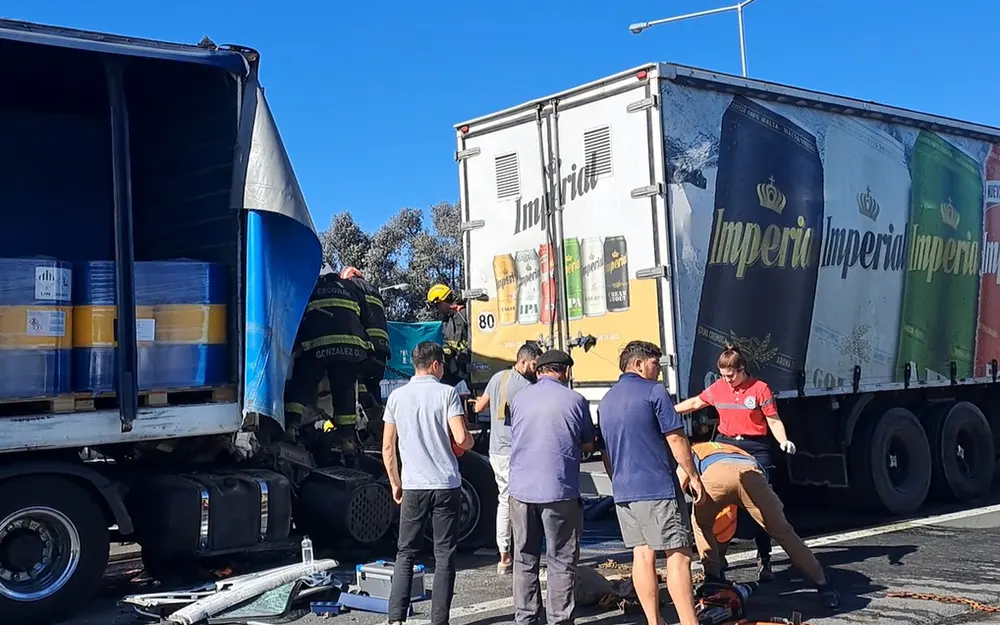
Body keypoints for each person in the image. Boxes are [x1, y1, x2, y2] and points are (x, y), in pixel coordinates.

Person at [597, 341, 703, 625]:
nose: (658, 371)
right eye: (656, 364)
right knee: (679, 555)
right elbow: (676, 438)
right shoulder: (655, 392)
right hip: (658, 487)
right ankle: (689, 622)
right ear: (639, 364)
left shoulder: (606, 401)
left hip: (624, 491)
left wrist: (617, 480)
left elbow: (605, 452)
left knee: (642, 555)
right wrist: (693, 475)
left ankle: (654, 621)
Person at [673, 344, 796, 582]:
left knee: (761, 506)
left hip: (755, 447)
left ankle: (765, 559)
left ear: (742, 369)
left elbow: (773, 419)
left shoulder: (760, 389)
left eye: (731, 375)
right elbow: (696, 403)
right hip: (725, 445)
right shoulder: (719, 387)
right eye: (723, 375)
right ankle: (718, 556)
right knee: (719, 503)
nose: (727, 380)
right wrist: (667, 411)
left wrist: (783, 440)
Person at [676, 441, 839, 609]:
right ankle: (823, 583)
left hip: (716, 477)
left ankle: (713, 577)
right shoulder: (734, 450)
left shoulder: (692, 450)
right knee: (783, 531)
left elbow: (679, 486)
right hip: (751, 473)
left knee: (701, 524)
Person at [381, 341, 474, 625]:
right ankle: (439, 621)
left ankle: (396, 618)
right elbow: (460, 439)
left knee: (406, 552)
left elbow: (387, 446)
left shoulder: (397, 397)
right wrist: (470, 440)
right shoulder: (447, 394)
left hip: (413, 486)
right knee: (444, 554)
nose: (444, 369)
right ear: (434, 365)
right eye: (442, 365)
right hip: (446, 484)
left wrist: (395, 482)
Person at [508, 349, 595, 625]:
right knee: (560, 560)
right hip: (559, 491)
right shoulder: (576, 400)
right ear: (565, 372)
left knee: (524, 557)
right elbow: (588, 443)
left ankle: (526, 618)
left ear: (539, 371)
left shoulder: (520, 398)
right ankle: (559, 619)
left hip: (520, 491)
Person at [285, 269, 372, 465]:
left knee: (302, 384)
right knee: (344, 395)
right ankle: (348, 442)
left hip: (317, 347)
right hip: (350, 351)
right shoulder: (352, 289)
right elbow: (366, 316)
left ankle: (291, 428)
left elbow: (296, 315)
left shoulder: (313, 287)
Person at [473, 342, 543, 575]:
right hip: (518, 451)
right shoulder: (528, 387)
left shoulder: (498, 378)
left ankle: (504, 555)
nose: (536, 369)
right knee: (523, 502)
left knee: (504, 500)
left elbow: (479, 407)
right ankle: (521, 550)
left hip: (496, 451)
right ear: (523, 361)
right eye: (534, 364)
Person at [340, 267, 390, 414]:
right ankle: (378, 420)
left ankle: (371, 419)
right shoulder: (374, 290)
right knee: (374, 385)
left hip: (365, 345)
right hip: (382, 346)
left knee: (358, 383)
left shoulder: (351, 287)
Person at [426, 284, 470, 388]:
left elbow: (478, 338)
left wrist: (465, 353)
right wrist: (445, 353)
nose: (437, 309)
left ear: (444, 301)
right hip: (457, 365)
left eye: (437, 306)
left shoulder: (465, 314)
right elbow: (447, 342)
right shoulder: (447, 321)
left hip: (471, 363)